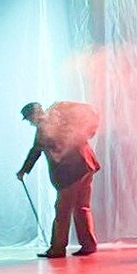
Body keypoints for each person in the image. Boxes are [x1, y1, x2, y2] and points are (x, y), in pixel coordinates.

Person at [17, 100, 101, 259]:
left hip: (70, 173)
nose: (30, 123)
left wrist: (23, 171)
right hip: (86, 165)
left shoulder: (44, 127)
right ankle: (88, 245)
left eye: (29, 119)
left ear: (34, 115)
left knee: (62, 211)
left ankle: (57, 248)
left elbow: (36, 150)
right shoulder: (61, 117)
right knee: (82, 207)